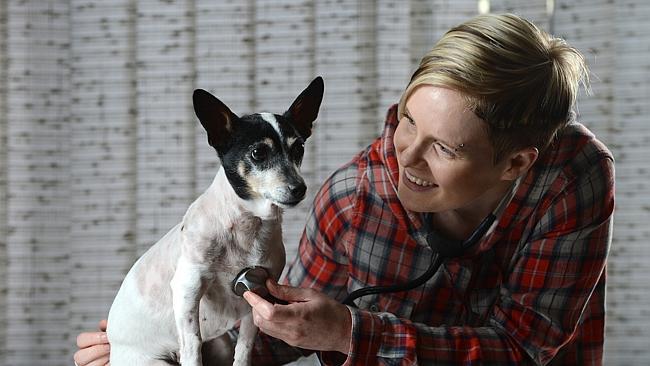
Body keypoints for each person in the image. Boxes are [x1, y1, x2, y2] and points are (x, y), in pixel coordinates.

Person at [74, 13, 614, 365]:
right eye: (407, 122)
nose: (406, 156)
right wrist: (138, 342)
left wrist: (353, 335)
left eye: (444, 148)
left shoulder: (573, 178)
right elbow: (278, 328)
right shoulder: (352, 201)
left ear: (516, 162)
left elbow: (525, 348)